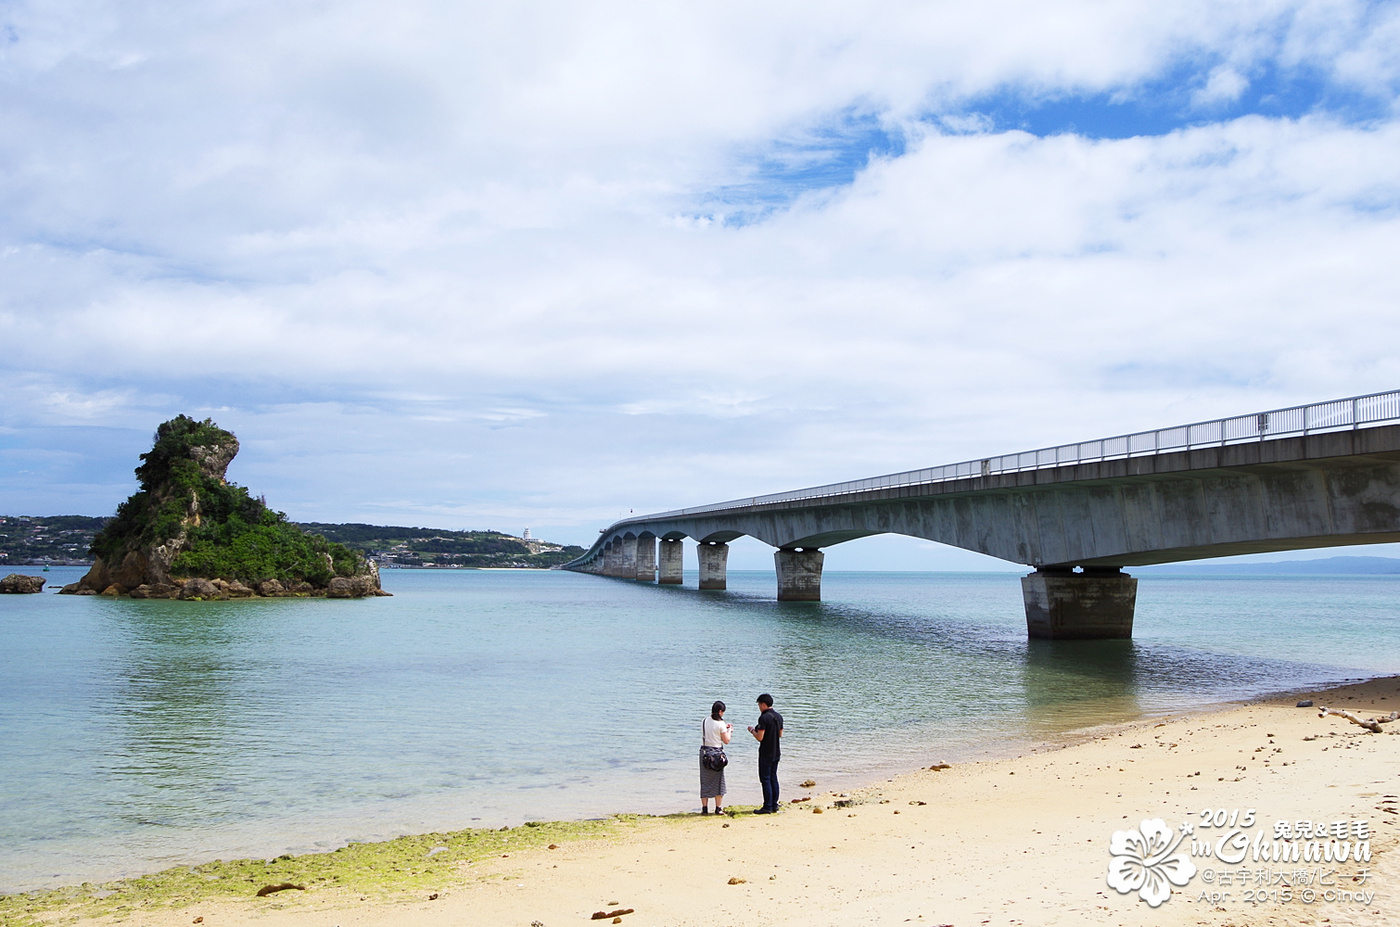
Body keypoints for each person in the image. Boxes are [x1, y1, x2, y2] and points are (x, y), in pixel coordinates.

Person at [747, 693, 783, 814]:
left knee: (765, 779)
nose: (759, 707)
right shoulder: (779, 716)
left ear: (763, 704)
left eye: (759, 705)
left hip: (766, 752)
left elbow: (760, 737)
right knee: (773, 777)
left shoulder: (764, 718)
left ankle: (767, 806)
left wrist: (752, 730)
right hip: (776, 751)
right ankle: (774, 804)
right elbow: (780, 734)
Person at [699, 700, 732, 815]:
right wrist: (730, 730)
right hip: (717, 754)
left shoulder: (705, 720)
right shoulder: (721, 724)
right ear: (720, 711)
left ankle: (704, 808)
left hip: (704, 753)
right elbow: (726, 740)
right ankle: (718, 808)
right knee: (719, 781)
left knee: (705, 781)